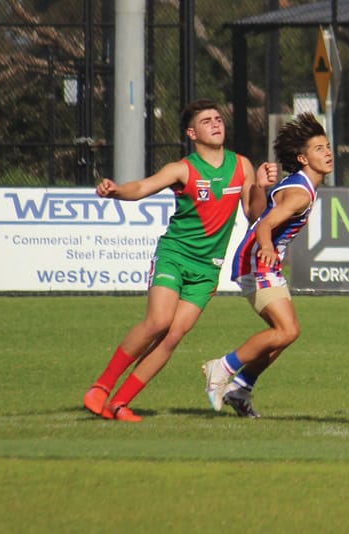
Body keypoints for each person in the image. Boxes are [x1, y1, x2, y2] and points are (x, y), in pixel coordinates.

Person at [83, 99, 274, 422]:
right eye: (206, 121)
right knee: (158, 322)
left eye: (218, 119)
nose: (216, 124)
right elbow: (142, 187)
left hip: (206, 269)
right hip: (174, 255)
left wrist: (262, 188)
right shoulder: (181, 169)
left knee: (173, 336)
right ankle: (101, 388)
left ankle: (120, 404)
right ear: (191, 133)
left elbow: (253, 213)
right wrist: (115, 191)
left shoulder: (241, 166)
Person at [202, 112, 333, 418]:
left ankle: (241, 388)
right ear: (302, 158)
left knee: (282, 333)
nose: (327, 153)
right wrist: (267, 247)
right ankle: (221, 368)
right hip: (256, 263)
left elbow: (259, 215)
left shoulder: (299, 185)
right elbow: (264, 227)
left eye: (327, 146)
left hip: (262, 263)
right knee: (286, 331)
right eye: (318, 149)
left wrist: (260, 190)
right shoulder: (300, 193)